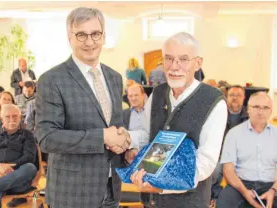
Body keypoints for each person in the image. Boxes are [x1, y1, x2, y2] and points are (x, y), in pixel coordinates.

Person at [36, 7, 131, 208]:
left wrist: (124, 140)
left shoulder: (114, 78)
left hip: (111, 189)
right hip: (72, 195)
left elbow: (115, 125)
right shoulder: (52, 80)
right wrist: (103, 137)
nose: (89, 42)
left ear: (104, 36)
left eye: (95, 34)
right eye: (81, 35)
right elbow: (47, 138)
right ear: (69, 37)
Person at [128, 32, 228, 208]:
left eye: (183, 59)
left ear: (197, 63)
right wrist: (128, 142)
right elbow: (147, 136)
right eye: (168, 58)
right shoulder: (157, 93)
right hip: (151, 203)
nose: (174, 67)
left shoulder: (214, 100)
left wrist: (161, 186)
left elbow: (205, 163)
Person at [217, 92, 277, 208]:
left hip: (271, 185)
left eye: (265, 108)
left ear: (271, 111)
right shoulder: (234, 134)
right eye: (256, 107)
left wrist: (273, 190)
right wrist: (245, 192)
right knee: (225, 201)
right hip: (240, 184)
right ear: (248, 109)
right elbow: (228, 171)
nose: (261, 112)